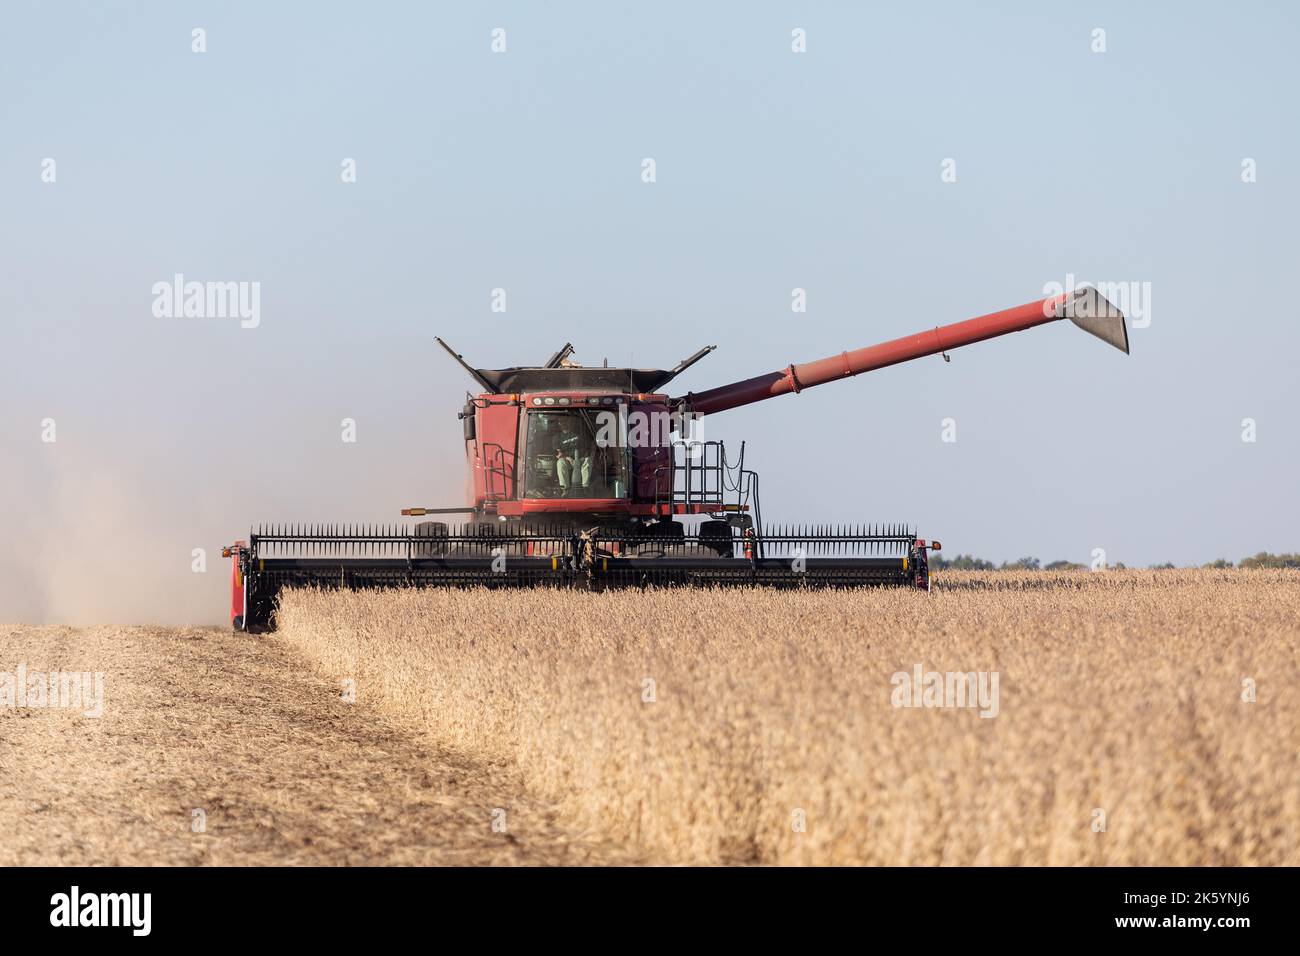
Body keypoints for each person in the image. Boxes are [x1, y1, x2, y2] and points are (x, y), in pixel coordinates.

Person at [554, 415, 593, 494]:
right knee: (560, 462)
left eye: (565, 421)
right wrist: (568, 458)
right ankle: (565, 489)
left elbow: (586, 450)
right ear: (559, 424)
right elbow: (558, 454)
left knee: (588, 460)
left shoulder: (578, 435)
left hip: (580, 460)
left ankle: (585, 487)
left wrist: (582, 458)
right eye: (561, 422)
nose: (563, 423)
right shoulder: (557, 437)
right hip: (568, 461)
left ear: (569, 422)